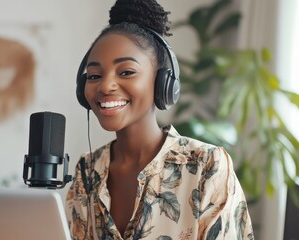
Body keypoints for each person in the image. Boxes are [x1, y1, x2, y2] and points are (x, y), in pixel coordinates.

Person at [66, 0, 254, 239]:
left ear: (163, 84)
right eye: (94, 76)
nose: (105, 86)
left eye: (126, 72)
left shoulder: (206, 166)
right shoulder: (87, 170)